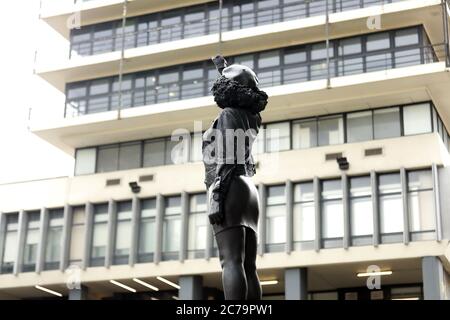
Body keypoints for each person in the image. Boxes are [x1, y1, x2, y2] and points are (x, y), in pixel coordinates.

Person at [202, 55, 268, 300]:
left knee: (230, 261)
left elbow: (227, 156)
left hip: (228, 185)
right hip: (248, 189)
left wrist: (217, 194)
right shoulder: (251, 116)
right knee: (248, 266)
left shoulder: (229, 113)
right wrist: (223, 69)